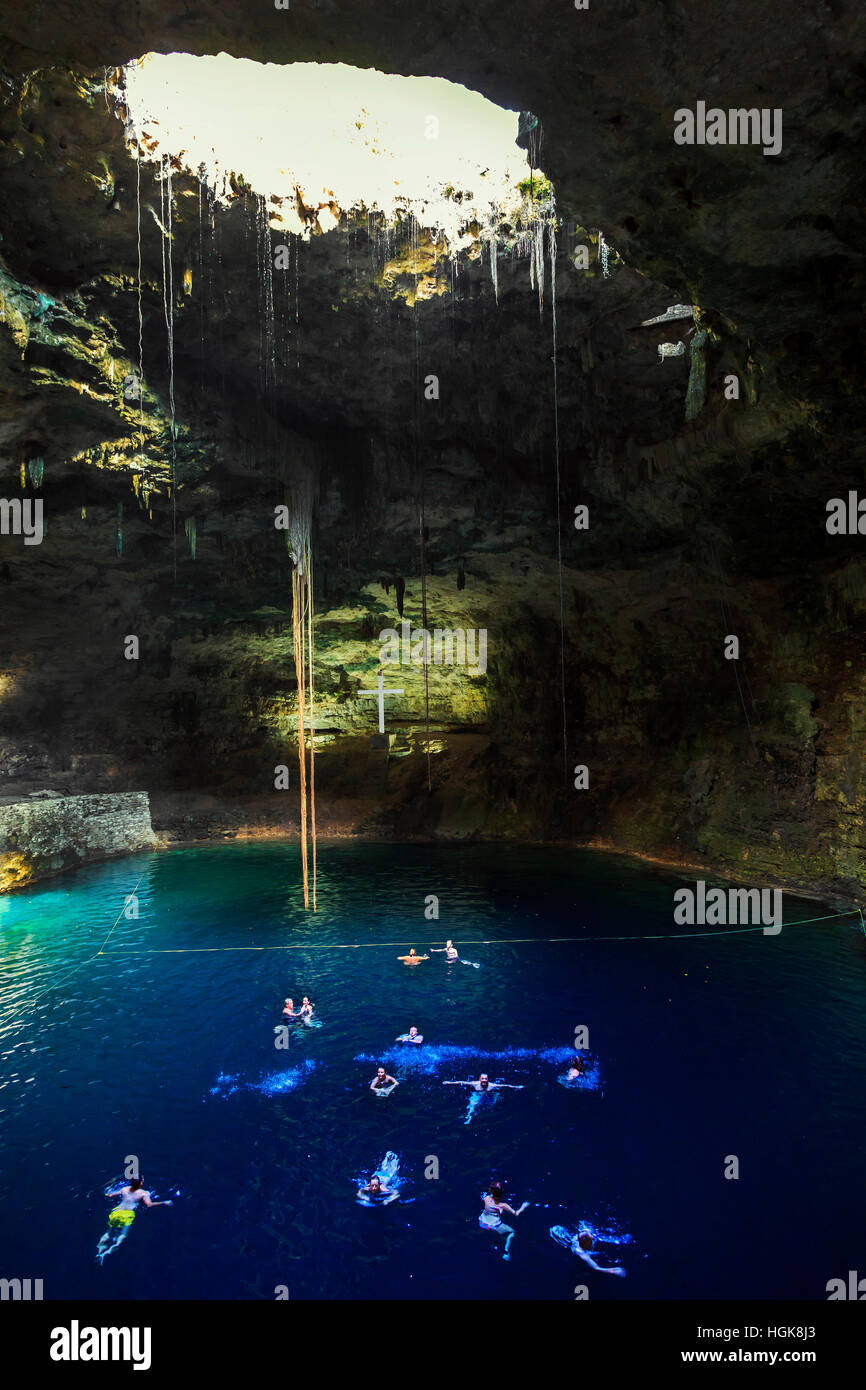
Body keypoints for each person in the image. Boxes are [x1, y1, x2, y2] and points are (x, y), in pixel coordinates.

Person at [96, 1177, 172, 1263]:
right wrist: (164, 1202)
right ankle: (105, 1254)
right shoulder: (144, 1193)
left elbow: (110, 1195)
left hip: (116, 1212)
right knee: (122, 1235)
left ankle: (98, 1251)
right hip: (127, 1215)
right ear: (141, 1182)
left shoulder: (124, 1189)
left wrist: (109, 1188)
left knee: (108, 1232)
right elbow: (149, 1204)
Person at [478, 1182, 529, 1260]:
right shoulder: (503, 1205)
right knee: (512, 1232)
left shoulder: (486, 1198)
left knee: (495, 1235)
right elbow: (516, 1213)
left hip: (482, 1223)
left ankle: (495, 1243)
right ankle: (506, 1251)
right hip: (494, 1225)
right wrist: (523, 1207)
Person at [443, 1073, 523, 1093]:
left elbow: (505, 1085)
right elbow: (462, 1082)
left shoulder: (492, 1085)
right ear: (480, 1079)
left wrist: (517, 1087)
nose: (484, 1080)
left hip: (489, 1094)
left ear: (488, 1080)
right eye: (483, 1079)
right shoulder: (475, 1083)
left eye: (486, 1079)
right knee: (473, 1105)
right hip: (477, 1095)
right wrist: (449, 1083)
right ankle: (469, 1117)